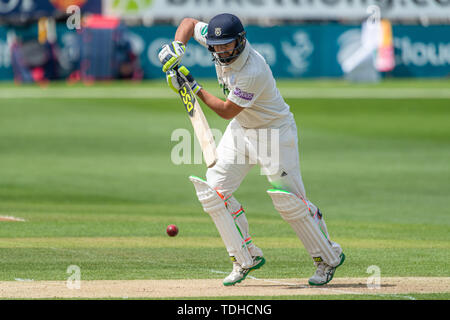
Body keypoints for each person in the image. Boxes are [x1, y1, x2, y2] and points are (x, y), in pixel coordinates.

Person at [158, 13, 345, 286]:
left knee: (289, 202)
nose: (221, 51)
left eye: (227, 45)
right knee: (213, 191)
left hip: (272, 132)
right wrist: (178, 47)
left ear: (241, 41)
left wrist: (192, 85)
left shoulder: (252, 71)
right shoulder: (217, 38)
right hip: (241, 129)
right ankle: (245, 256)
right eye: (216, 46)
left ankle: (328, 256)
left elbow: (225, 110)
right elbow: (187, 23)